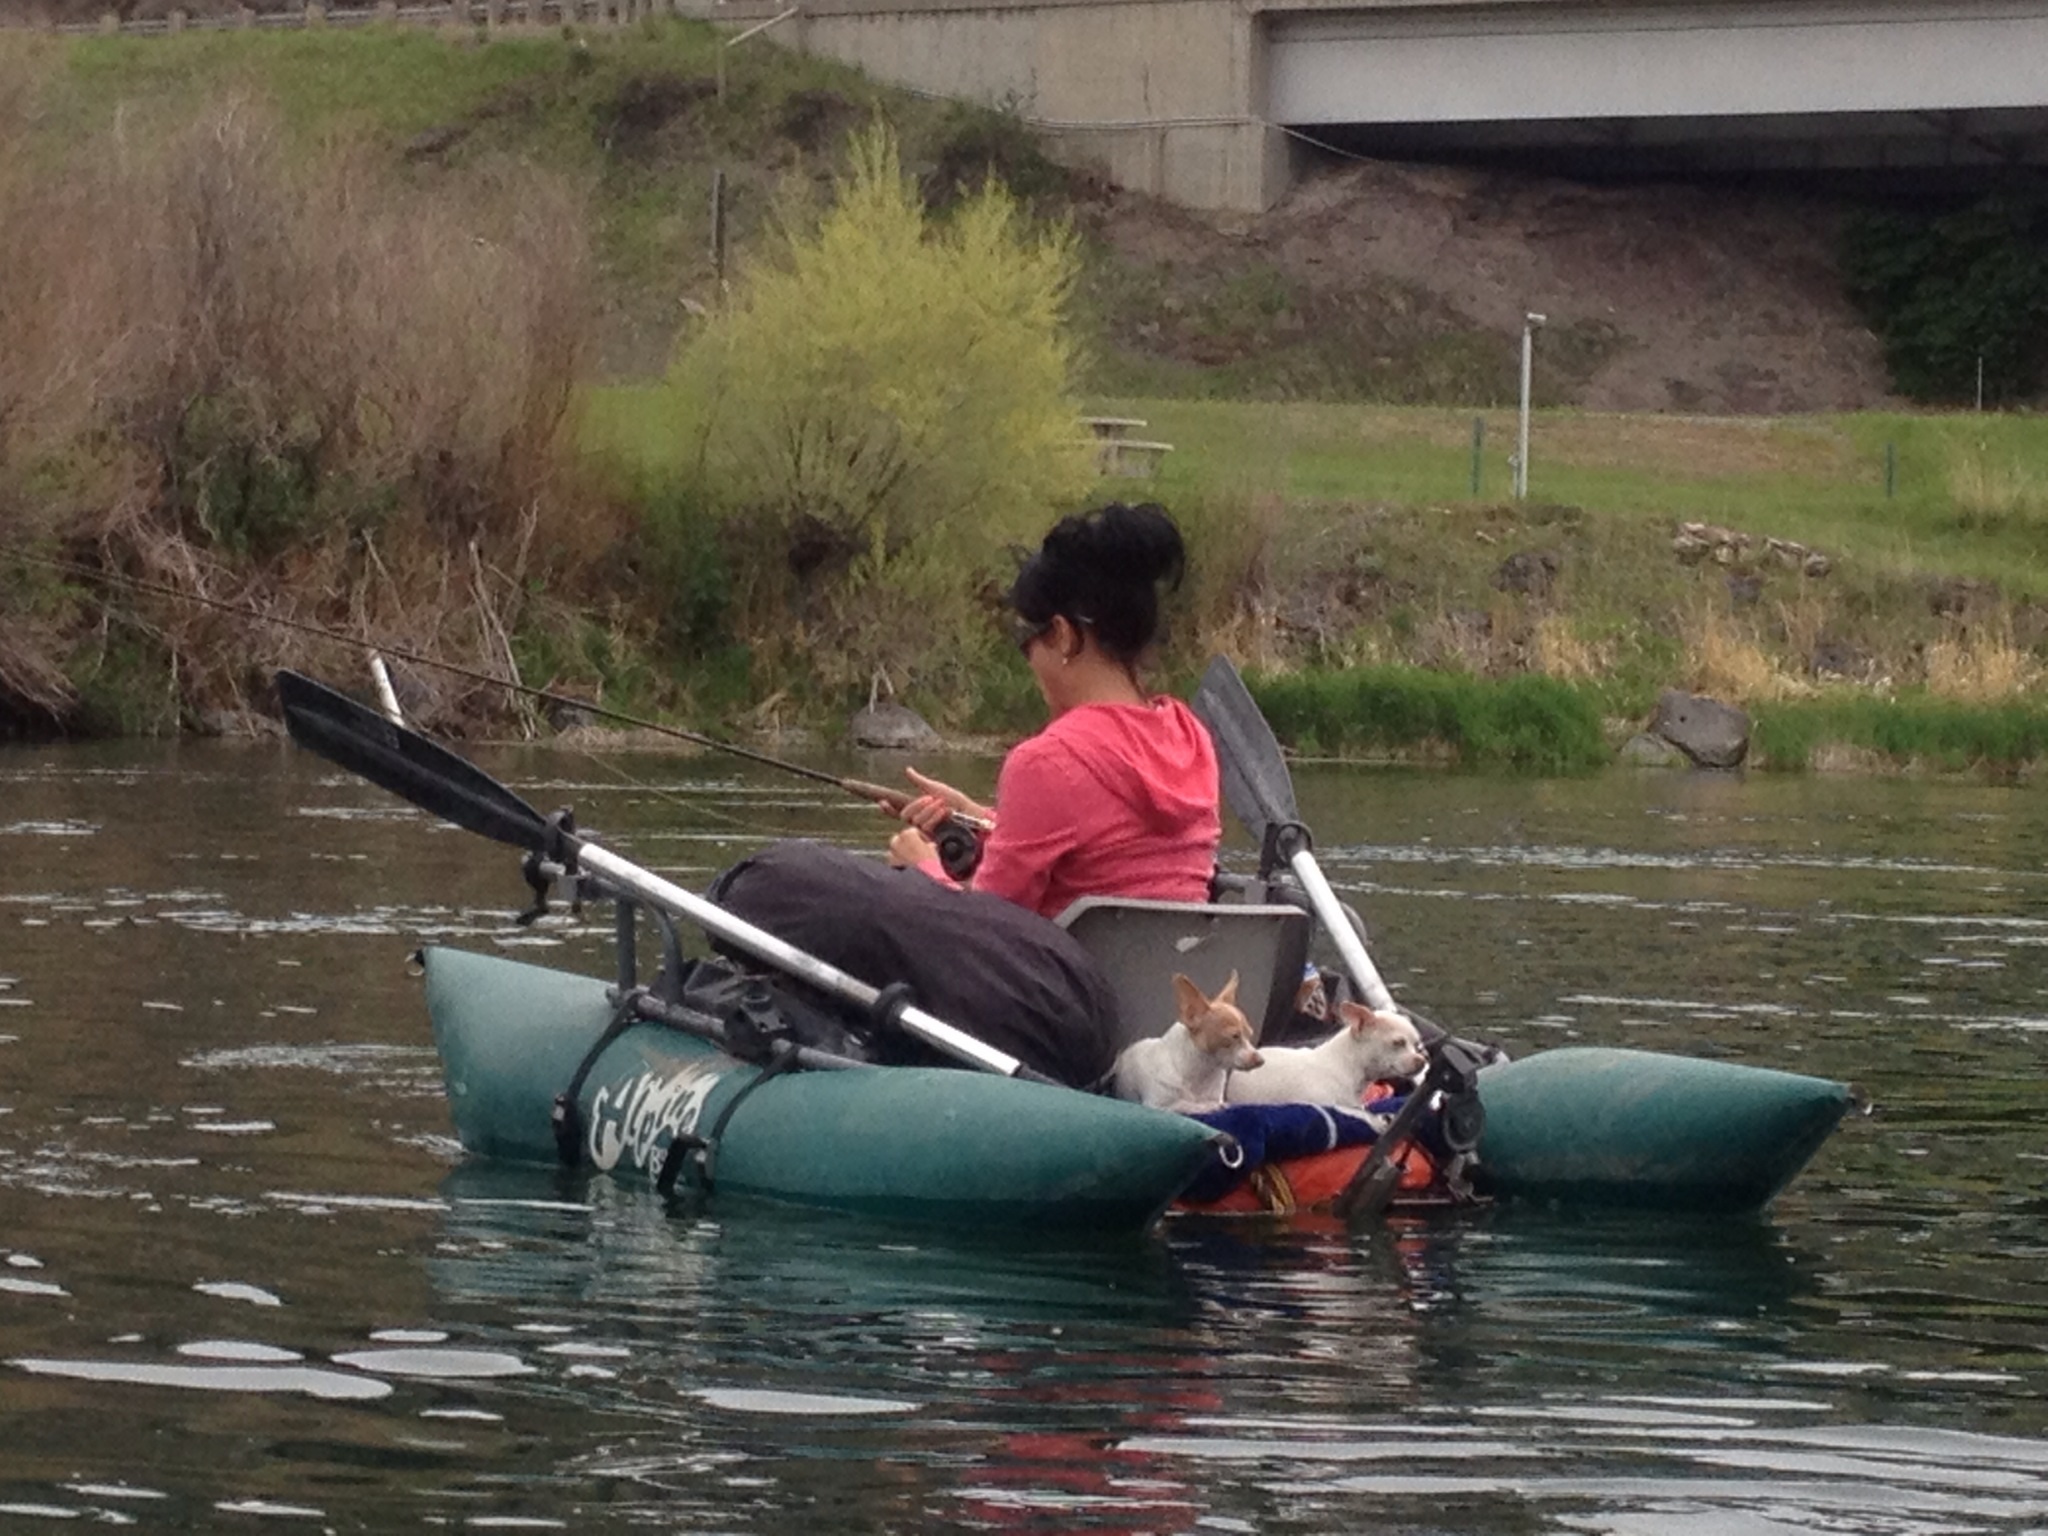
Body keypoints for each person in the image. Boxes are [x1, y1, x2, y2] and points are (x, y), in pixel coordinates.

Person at [886, 501, 1221, 921]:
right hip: (1175, 965)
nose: (1028, 657)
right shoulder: (1190, 739)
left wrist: (924, 871)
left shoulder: (1046, 762)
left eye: (1027, 639)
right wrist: (976, 818)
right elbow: (1115, 854)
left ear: (1062, 635)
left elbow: (986, 929)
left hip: (1063, 967)